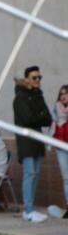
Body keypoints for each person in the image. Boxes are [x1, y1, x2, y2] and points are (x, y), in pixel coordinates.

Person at [13, 66, 52, 223]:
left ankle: (31, 208)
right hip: (26, 141)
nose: (37, 80)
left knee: (35, 175)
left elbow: (48, 118)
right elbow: (27, 119)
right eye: (34, 78)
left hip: (37, 140)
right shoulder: (20, 98)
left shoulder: (38, 96)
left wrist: (38, 115)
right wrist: (39, 115)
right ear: (27, 79)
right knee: (29, 174)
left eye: (39, 78)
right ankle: (28, 211)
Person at [50, 85, 68, 218]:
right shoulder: (56, 110)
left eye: (66, 93)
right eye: (61, 93)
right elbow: (53, 125)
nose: (63, 96)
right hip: (61, 146)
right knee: (66, 178)